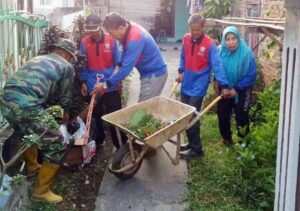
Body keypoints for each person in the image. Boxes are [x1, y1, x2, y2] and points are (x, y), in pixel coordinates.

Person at [0, 38, 76, 203]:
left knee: (27, 132)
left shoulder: (38, 58)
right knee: (57, 144)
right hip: (27, 105)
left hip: (6, 101)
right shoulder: (66, 66)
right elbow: (64, 97)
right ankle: (41, 192)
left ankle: (32, 167)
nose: (70, 60)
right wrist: (63, 115)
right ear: (67, 53)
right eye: (71, 57)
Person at [176, 14, 231, 159]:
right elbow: (183, 56)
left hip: (199, 85)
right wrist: (180, 71)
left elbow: (217, 65)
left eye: (197, 30)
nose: (194, 33)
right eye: (192, 30)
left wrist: (224, 84)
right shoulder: (186, 39)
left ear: (203, 27)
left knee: (192, 116)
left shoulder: (209, 44)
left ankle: (196, 149)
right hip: (186, 81)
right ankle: (191, 143)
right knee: (185, 115)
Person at [91, 12, 168, 102]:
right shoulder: (128, 27)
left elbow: (126, 69)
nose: (111, 37)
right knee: (148, 107)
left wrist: (105, 85)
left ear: (120, 28)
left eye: (111, 33)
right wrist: (116, 70)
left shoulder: (134, 39)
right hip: (149, 74)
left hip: (154, 75)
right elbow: (123, 54)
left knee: (143, 109)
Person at [79, 14, 126, 149]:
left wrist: (117, 81)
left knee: (115, 115)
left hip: (110, 85)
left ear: (100, 26)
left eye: (95, 28)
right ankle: (99, 142)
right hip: (92, 85)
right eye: (89, 29)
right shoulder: (84, 42)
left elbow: (118, 63)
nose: (92, 32)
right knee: (96, 115)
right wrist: (83, 81)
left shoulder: (112, 40)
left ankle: (120, 144)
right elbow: (83, 64)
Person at [217, 26, 257, 146]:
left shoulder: (247, 53)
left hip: (242, 89)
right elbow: (218, 70)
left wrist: (237, 89)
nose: (231, 42)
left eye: (233, 38)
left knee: (241, 116)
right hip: (225, 88)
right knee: (222, 114)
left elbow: (251, 75)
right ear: (224, 40)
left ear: (238, 38)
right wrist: (223, 87)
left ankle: (244, 144)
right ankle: (227, 139)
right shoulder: (221, 51)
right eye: (227, 39)